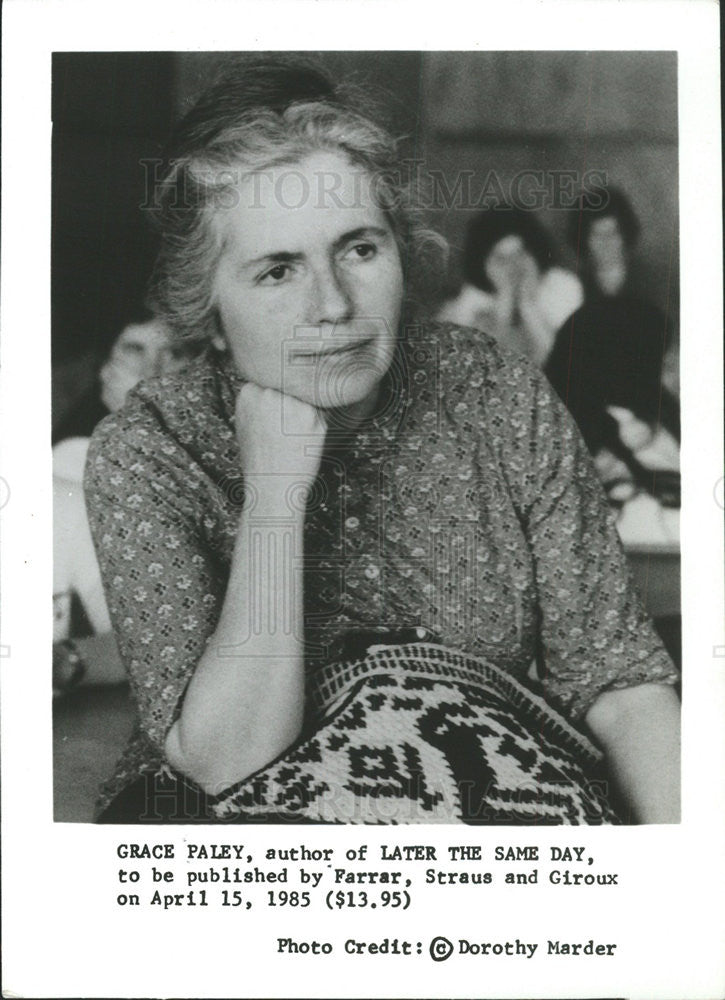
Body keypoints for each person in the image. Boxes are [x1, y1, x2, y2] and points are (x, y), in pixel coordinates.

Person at [85, 58, 680, 825]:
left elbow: (618, 680)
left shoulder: (491, 389)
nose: (332, 304)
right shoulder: (150, 447)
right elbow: (226, 758)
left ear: (402, 249)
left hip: (504, 813)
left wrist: (685, 879)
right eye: (276, 271)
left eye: (359, 249)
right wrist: (273, 493)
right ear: (208, 314)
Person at [53, 316, 198, 694]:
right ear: (105, 370)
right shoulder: (70, 462)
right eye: (135, 349)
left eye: (174, 353)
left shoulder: (208, 458)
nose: (153, 368)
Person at [545, 189, 680, 542]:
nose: (606, 242)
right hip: (592, 402)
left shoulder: (655, 285)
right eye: (596, 234)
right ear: (584, 241)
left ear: (626, 235)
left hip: (644, 396)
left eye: (613, 232)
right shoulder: (573, 289)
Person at [437, 206, 583, 365]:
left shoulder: (562, 284)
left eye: (520, 253)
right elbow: (482, 366)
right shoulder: (472, 296)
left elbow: (563, 362)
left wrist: (527, 304)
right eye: (502, 259)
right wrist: (504, 301)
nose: (514, 266)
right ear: (485, 264)